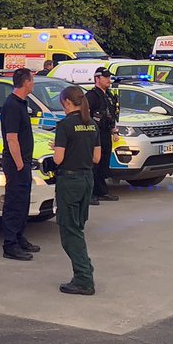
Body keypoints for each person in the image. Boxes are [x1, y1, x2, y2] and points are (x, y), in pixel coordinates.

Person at [53, 86, 100, 295]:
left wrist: (54, 148)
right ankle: (85, 269)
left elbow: (58, 159)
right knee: (78, 227)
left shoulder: (64, 125)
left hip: (69, 181)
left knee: (69, 230)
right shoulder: (92, 125)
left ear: (66, 103)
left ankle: (83, 279)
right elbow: (96, 158)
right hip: (87, 179)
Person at [0, 68, 41, 260]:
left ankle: (19, 236)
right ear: (26, 82)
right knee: (14, 202)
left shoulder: (22, 103)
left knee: (23, 201)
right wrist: (19, 165)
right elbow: (12, 138)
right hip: (16, 163)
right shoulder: (12, 105)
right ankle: (10, 244)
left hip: (23, 162)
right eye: (32, 80)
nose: (33, 83)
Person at [84, 67, 119, 204]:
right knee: (94, 164)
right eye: (106, 77)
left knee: (104, 163)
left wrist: (114, 130)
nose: (108, 80)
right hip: (94, 134)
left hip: (105, 133)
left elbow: (112, 115)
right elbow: (86, 115)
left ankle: (102, 191)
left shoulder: (109, 95)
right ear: (97, 79)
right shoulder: (91, 96)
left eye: (109, 77)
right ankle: (91, 193)